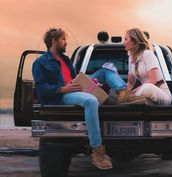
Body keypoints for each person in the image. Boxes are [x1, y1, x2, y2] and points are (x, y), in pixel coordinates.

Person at [32, 28, 145, 170]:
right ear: (54, 41)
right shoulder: (40, 63)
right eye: (63, 40)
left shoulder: (65, 60)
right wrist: (62, 89)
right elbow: (41, 88)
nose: (66, 43)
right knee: (91, 101)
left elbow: (72, 79)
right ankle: (97, 152)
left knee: (107, 68)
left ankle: (124, 94)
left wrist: (90, 84)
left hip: (74, 87)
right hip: (60, 96)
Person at [123, 28, 172, 105]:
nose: (124, 43)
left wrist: (133, 92)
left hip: (161, 94)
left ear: (134, 41)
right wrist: (123, 93)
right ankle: (131, 101)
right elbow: (130, 83)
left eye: (126, 39)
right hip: (145, 96)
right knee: (120, 93)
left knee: (147, 88)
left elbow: (153, 80)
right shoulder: (131, 58)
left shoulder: (148, 54)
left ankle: (131, 99)